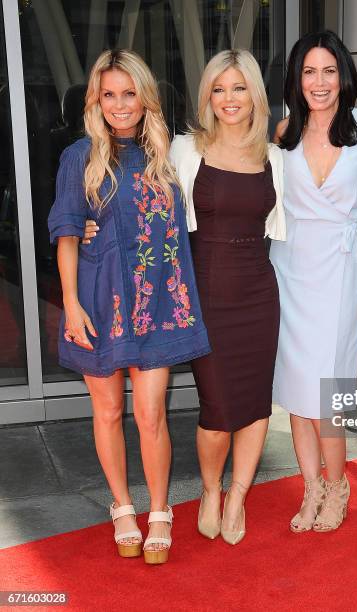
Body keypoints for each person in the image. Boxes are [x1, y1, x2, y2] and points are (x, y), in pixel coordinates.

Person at [87, 49, 286, 545]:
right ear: (207, 97)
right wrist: (89, 223)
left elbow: (309, 214)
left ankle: (238, 493)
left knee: (256, 401)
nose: (229, 98)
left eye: (239, 88)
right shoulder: (183, 149)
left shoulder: (275, 156)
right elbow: (135, 195)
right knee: (217, 408)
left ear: (255, 94)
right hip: (201, 292)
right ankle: (211, 488)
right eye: (218, 89)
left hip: (259, 290)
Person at [48, 49, 210, 565]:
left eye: (130, 93)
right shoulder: (79, 156)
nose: (120, 104)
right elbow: (67, 234)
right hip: (98, 302)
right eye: (109, 93)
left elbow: (231, 141)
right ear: (96, 98)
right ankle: (122, 507)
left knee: (150, 414)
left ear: (146, 97)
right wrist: (71, 305)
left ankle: (159, 510)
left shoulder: (171, 152)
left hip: (159, 302)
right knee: (109, 410)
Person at [270, 30, 357, 533]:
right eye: (310, 71)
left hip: (340, 268)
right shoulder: (283, 133)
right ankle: (310, 488)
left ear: (344, 76)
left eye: (329, 71)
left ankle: (338, 487)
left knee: (328, 388)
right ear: (297, 79)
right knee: (297, 386)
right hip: (289, 266)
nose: (319, 82)